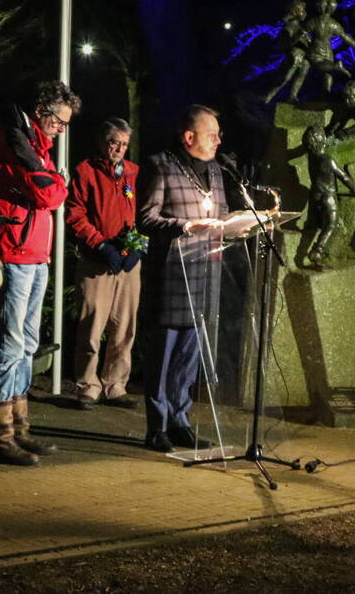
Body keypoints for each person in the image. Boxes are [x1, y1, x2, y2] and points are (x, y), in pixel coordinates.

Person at [0, 81, 80, 465]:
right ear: (43, 112)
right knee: (10, 346)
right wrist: (58, 183)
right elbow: (49, 195)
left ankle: (18, 430)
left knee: (24, 344)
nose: (63, 128)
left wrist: (54, 183)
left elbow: (51, 191)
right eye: (60, 121)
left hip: (33, 254)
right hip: (16, 252)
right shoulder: (16, 143)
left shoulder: (34, 145)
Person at [137, 104, 228, 453]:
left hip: (207, 275)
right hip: (172, 277)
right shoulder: (160, 166)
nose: (218, 140)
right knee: (164, 356)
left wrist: (238, 224)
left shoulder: (217, 170)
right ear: (189, 137)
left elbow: (220, 215)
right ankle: (157, 426)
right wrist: (186, 226)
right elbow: (145, 219)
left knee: (189, 358)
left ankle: (181, 421)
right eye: (212, 134)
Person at [65, 118, 143, 409]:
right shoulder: (85, 172)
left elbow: (143, 212)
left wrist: (138, 245)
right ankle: (88, 385)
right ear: (102, 141)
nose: (119, 149)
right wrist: (99, 243)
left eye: (124, 144)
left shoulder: (133, 173)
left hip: (128, 262)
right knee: (91, 325)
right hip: (96, 260)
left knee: (124, 326)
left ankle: (115, 384)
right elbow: (75, 215)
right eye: (114, 142)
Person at [303, 125, 355, 265]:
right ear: (322, 140)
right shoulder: (327, 160)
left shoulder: (311, 159)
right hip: (328, 197)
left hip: (315, 195)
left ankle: (310, 228)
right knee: (331, 224)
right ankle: (317, 251)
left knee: (317, 222)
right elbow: (343, 177)